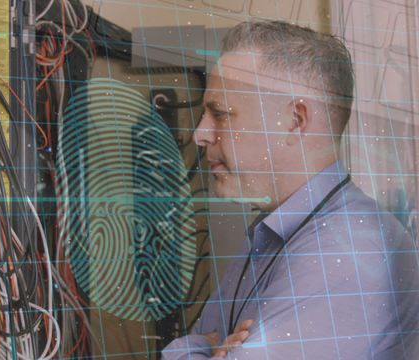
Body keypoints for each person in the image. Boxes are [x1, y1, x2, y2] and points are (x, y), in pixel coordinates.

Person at [162, 20, 418, 359]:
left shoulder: (350, 248)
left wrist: (188, 349)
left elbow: (205, 339)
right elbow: (206, 336)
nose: (201, 134)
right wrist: (198, 348)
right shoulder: (274, 233)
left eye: (221, 114)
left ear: (295, 120)